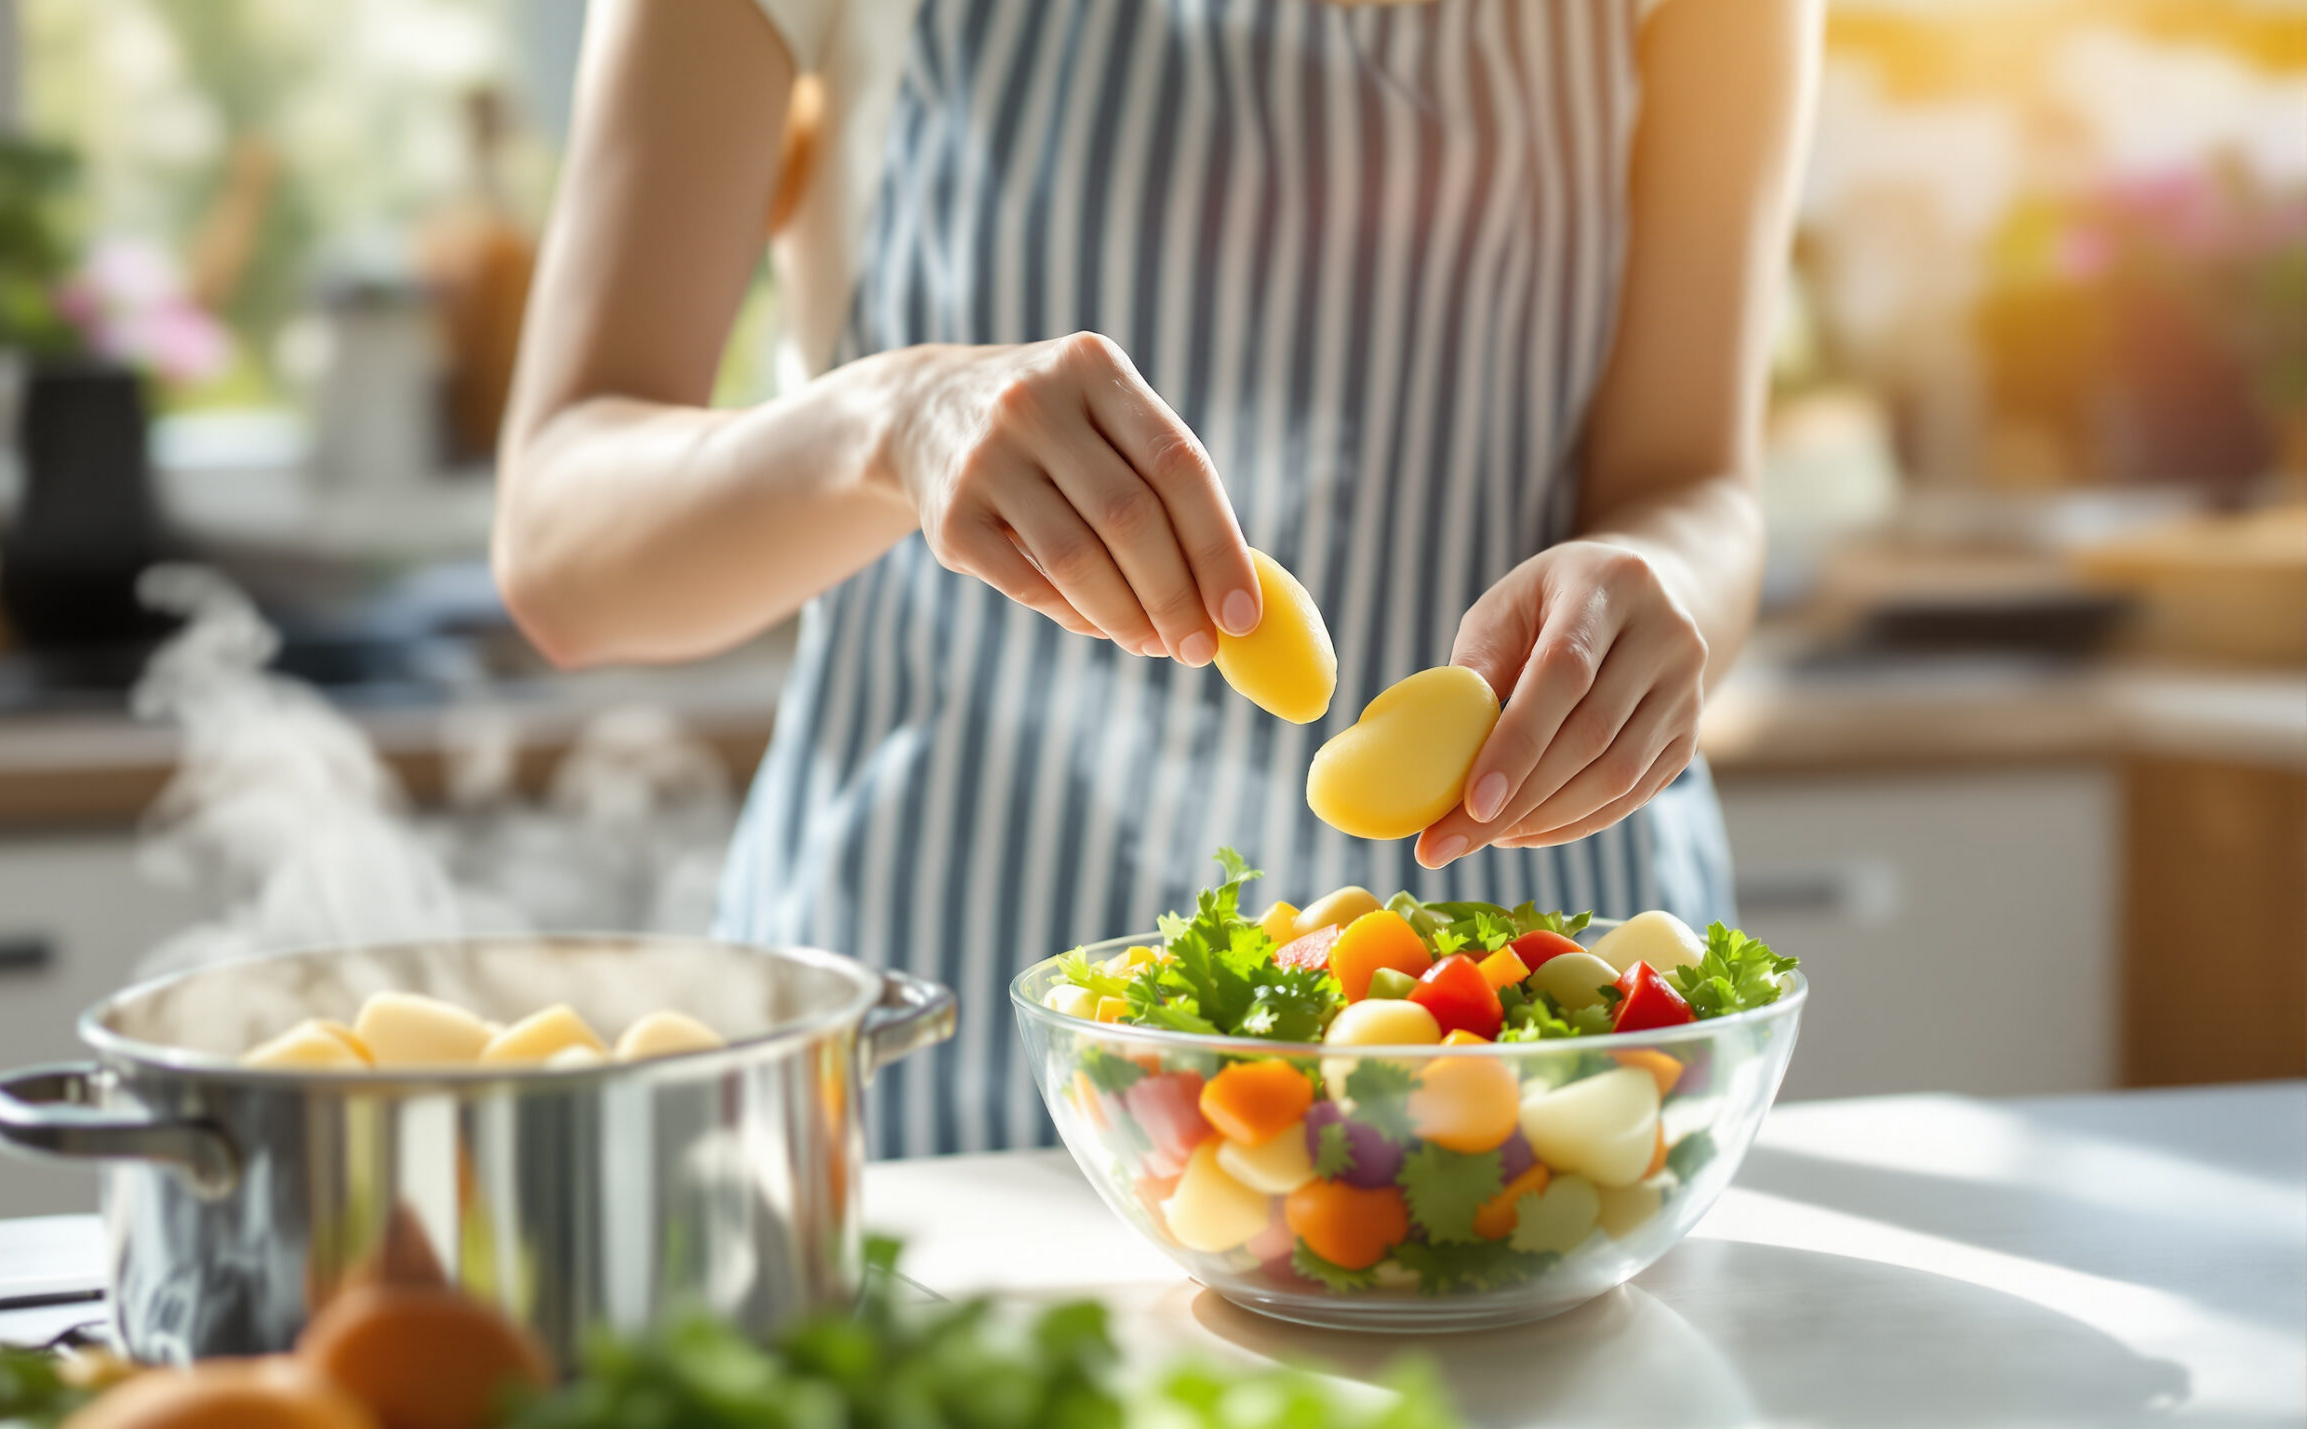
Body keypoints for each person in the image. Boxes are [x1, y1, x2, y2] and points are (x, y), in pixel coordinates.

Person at [496, 0, 1819, 1156]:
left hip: (1518, 1057)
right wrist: (895, 419)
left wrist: (1663, 589)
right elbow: (563, 538)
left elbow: (1694, 477)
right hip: (949, 1059)